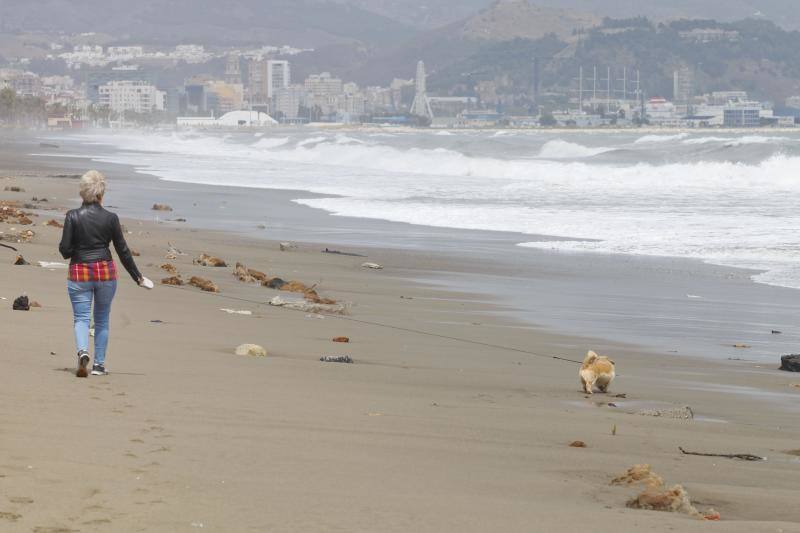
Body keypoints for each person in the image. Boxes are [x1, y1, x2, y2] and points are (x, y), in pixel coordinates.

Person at [59, 170, 144, 377]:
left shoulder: (72, 216)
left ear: (82, 193)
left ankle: (82, 351)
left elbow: (64, 251)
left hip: (79, 272)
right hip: (105, 272)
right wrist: (137, 276)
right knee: (103, 318)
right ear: (101, 194)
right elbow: (122, 250)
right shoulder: (111, 218)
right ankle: (98, 365)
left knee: (81, 317)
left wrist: (79, 247)